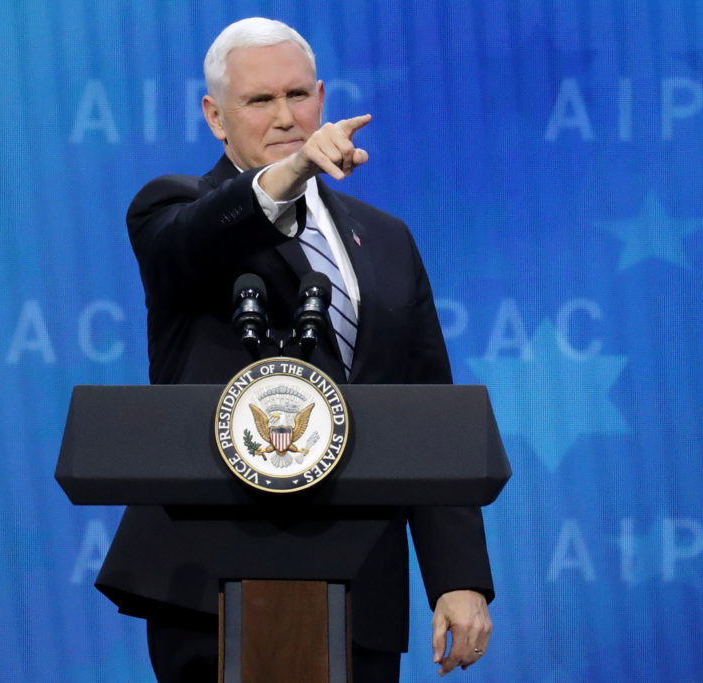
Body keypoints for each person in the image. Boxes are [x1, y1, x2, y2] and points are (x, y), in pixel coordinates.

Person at [96, 17, 495, 681]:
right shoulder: (173, 208)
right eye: (259, 101)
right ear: (215, 116)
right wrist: (289, 175)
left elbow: (427, 411)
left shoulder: (386, 238)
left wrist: (457, 577)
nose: (285, 116)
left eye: (297, 95)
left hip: (359, 586)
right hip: (210, 589)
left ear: (322, 96)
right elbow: (189, 245)